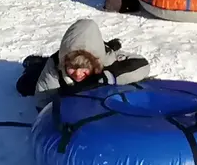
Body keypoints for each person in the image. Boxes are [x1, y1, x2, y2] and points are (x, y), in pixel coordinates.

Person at [22, 19, 151, 109]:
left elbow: (142, 65)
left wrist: (109, 76)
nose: (78, 74)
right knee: (23, 85)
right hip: (57, 80)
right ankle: (37, 63)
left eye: (84, 68)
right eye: (72, 67)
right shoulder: (55, 66)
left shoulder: (106, 57)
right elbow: (42, 102)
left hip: (100, 66)